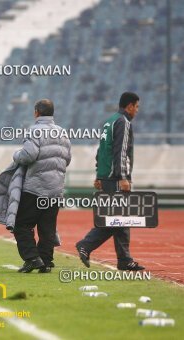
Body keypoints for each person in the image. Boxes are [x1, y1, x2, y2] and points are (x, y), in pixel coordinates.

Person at [76, 92, 144, 271]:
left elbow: (101, 151)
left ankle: (124, 260)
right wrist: (123, 177)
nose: (137, 111)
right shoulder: (123, 122)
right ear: (129, 106)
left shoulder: (109, 121)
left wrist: (99, 174)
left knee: (121, 219)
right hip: (115, 178)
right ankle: (86, 244)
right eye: (136, 107)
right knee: (118, 219)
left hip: (107, 176)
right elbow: (120, 151)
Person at [12, 99, 71, 273]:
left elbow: (29, 155)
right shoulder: (62, 132)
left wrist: (16, 155)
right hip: (56, 189)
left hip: (35, 187)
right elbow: (67, 159)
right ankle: (45, 261)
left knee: (21, 224)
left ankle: (31, 258)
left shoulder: (34, 130)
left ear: (36, 112)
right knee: (47, 227)